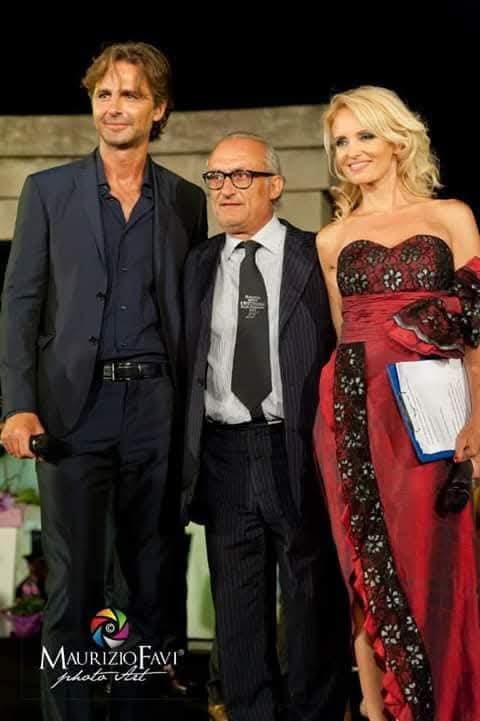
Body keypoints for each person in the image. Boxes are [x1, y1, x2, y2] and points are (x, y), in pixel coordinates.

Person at [0, 41, 207, 721]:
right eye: (104, 94)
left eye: (131, 94)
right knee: (74, 584)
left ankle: (136, 710)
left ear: (159, 109)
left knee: (148, 584)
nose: (115, 107)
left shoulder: (184, 201)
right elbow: (20, 305)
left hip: (156, 409)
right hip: (72, 413)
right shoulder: (48, 192)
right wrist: (18, 405)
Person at [314, 85, 480, 721]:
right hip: (354, 409)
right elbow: (342, 333)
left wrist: (476, 415)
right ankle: (374, 708)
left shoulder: (451, 217)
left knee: (435, 556)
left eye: (364, 135)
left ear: (397, 139)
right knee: (361, 555)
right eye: (340, 142)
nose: (350, 151)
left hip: (433, 417)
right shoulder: (332, 238)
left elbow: (476, 332)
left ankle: (440, 702)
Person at [182, 132, 351, 721]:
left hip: (297, 449)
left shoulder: (315, 254)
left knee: (311, 602)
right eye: (215, 177)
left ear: (275, 185)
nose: (226, 189)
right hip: (224, 453)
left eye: (241, 175)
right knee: (237, 609)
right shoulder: (198, 264)